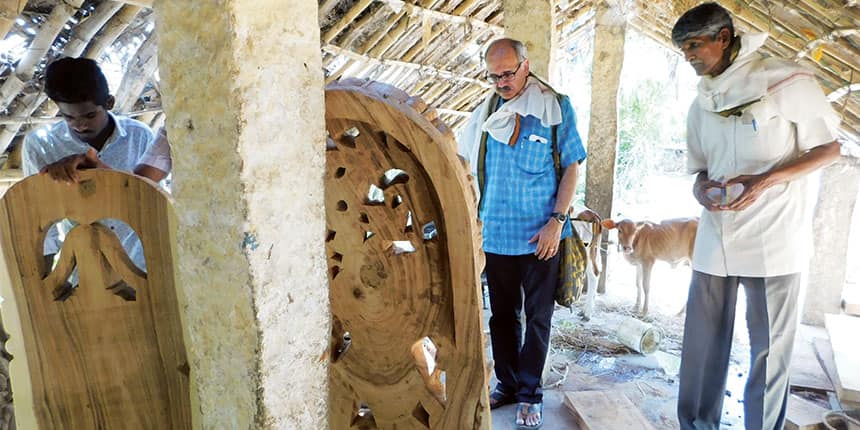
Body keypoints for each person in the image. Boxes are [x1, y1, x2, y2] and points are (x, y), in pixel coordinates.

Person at [672, 4, 841, 429]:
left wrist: (765, 182)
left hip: (774, 237)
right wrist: (702, 190)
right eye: (683, 49)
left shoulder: (785, 80)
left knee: (769, 348)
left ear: (724, 38)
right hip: (717, 236)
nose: (688, 56)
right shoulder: (701, 102)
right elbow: (699, 170)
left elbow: (828, 149)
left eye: (695, 45)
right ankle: (695, 424)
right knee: (702, 346)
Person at [458, 38, 586, 429]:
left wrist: (557, 221)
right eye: (494, 75)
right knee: (501, 316)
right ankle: (509, 384)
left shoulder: (554, 106)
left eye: (508, 73)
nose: (501, 82)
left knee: (538, 317)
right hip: (496, 234)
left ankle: (531, 392)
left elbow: (571, 168)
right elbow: (470, 169)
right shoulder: (486, 113)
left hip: (540, 236)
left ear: (525, 66)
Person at [21, 57, 171, 276]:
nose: (80, 125)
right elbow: (40, 218)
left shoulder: (139, 135)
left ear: (109, 103)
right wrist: (44, 283)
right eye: (68, 117)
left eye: (90, 115)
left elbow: (151, 197)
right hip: (84, 273)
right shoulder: (41, 145)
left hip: (144, 265)